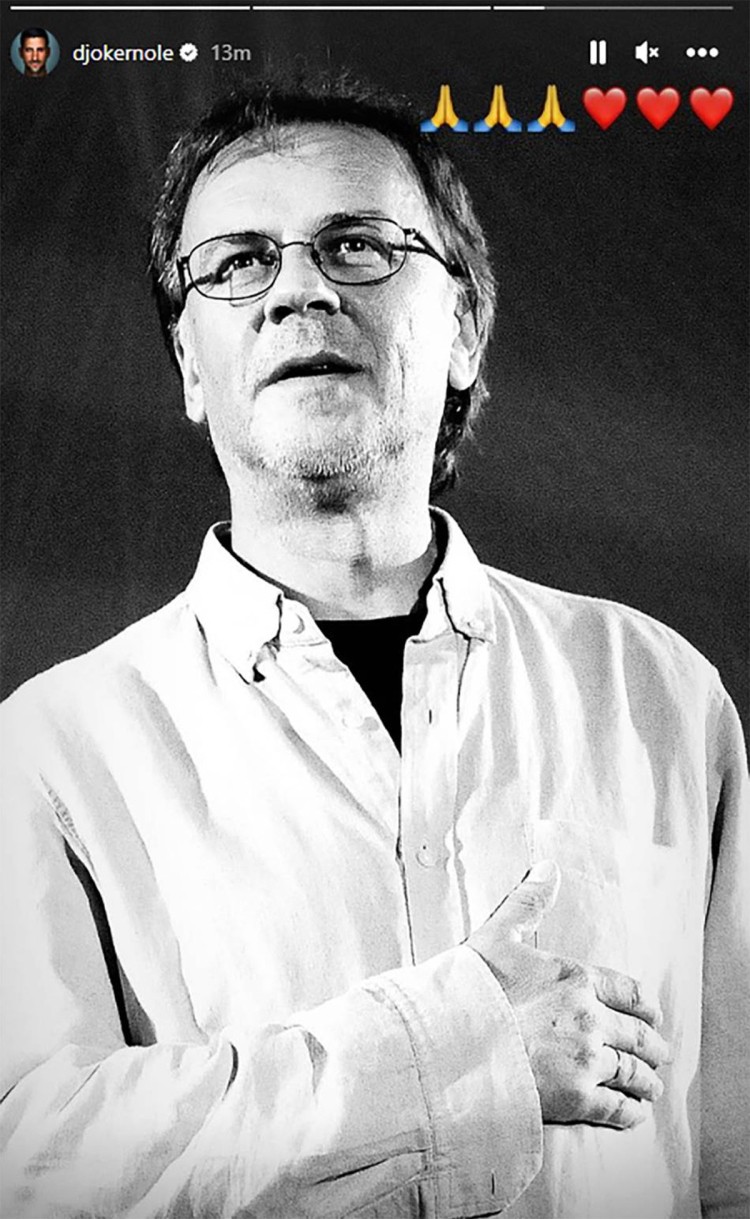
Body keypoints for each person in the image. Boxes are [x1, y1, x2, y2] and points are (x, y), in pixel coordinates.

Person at [1, 77, 748, 1219]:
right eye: (238, 262)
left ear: (464, 330)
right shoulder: (50, 750)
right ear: (192, 367)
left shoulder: (662, 694)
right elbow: (34, 1161)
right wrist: (464, 1051)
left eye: (357, 245)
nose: (298, 290)